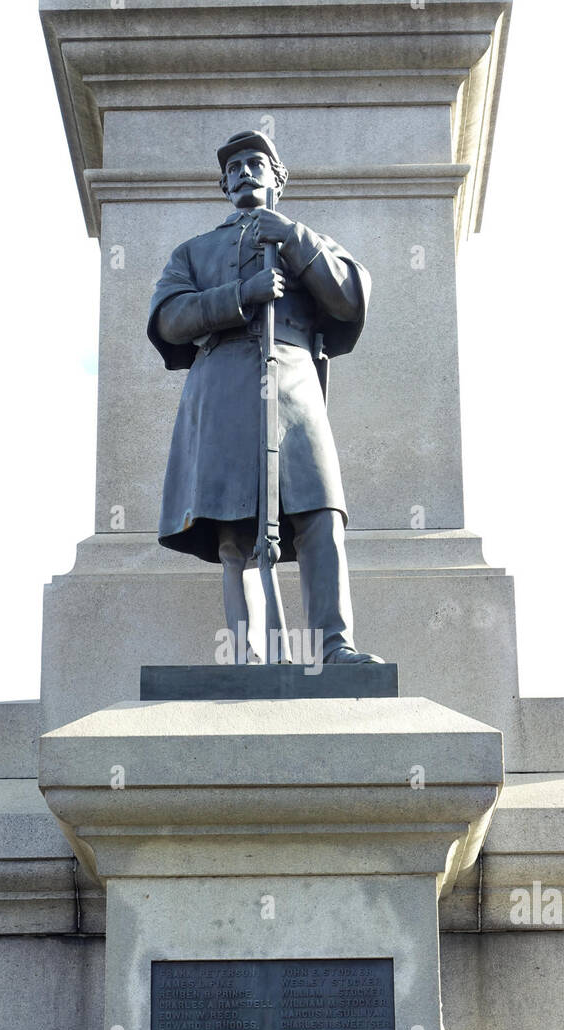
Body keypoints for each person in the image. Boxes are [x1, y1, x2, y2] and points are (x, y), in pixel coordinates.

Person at [148, 130, 383, 664]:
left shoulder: (304, 240)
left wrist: (296, 242)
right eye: (234, 168)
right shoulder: (193, 252)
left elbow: (350, 297)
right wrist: (238, 297)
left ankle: (333, 645)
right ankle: (250, 655)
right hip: (223, 388)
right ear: (224, 184)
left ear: (279, 178)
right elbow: (169, 318)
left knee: (321, 512)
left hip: (295, 382)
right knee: (234, 530)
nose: (245, 172)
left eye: (256, 163)